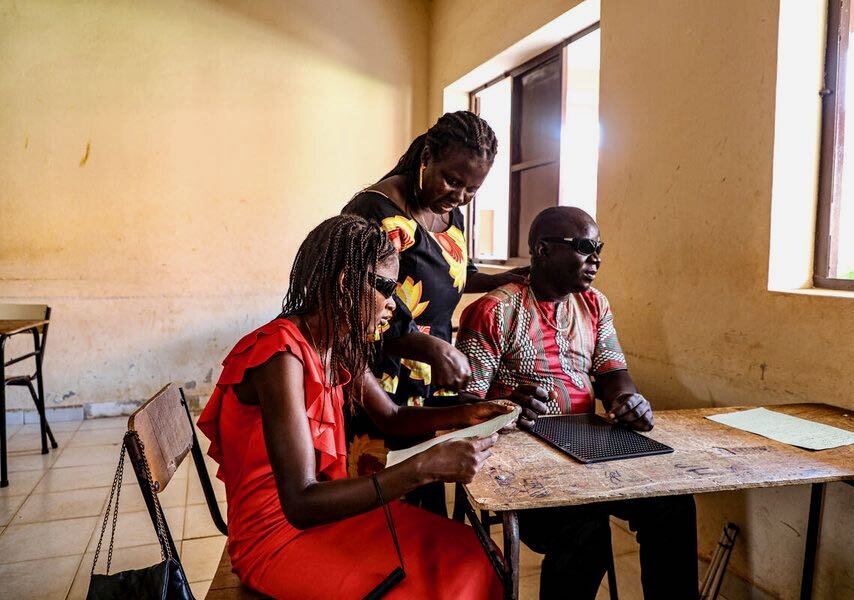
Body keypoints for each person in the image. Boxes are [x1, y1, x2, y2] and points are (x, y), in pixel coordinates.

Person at [197, 215, 507, 599]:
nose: (393, 305)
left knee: (482, 555)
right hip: (276, 539)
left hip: (328, 513)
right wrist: (424, 468)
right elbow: (299, 502)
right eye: (387, 289)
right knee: (444, 584)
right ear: (347, 284)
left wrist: (469, 414)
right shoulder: (281, 357)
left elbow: (391, 417)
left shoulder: (336, 344)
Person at [455, 206, 698, 600]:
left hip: (587, 444)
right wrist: (505, 405)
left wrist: (627, 400)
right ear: (543, 250)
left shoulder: (594, 304)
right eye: (585, 247)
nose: (596, 258)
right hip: (523, 458)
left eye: (598, 247)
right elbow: (466, 405)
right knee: (587, 534)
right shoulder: (493, 310)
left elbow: (612, 373)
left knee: (673, 506)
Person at [342, 110, 525, 512]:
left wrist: (508, 276)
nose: (459, 196)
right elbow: (356, 303)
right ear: (426, 156)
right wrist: (432, 348)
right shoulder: (377, 212)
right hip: (379, 376)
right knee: (386, 492)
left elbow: (456, 275)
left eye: (471, 190)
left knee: (426, 489)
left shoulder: (447, 211)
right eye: (452, 180)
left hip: (428, 379)